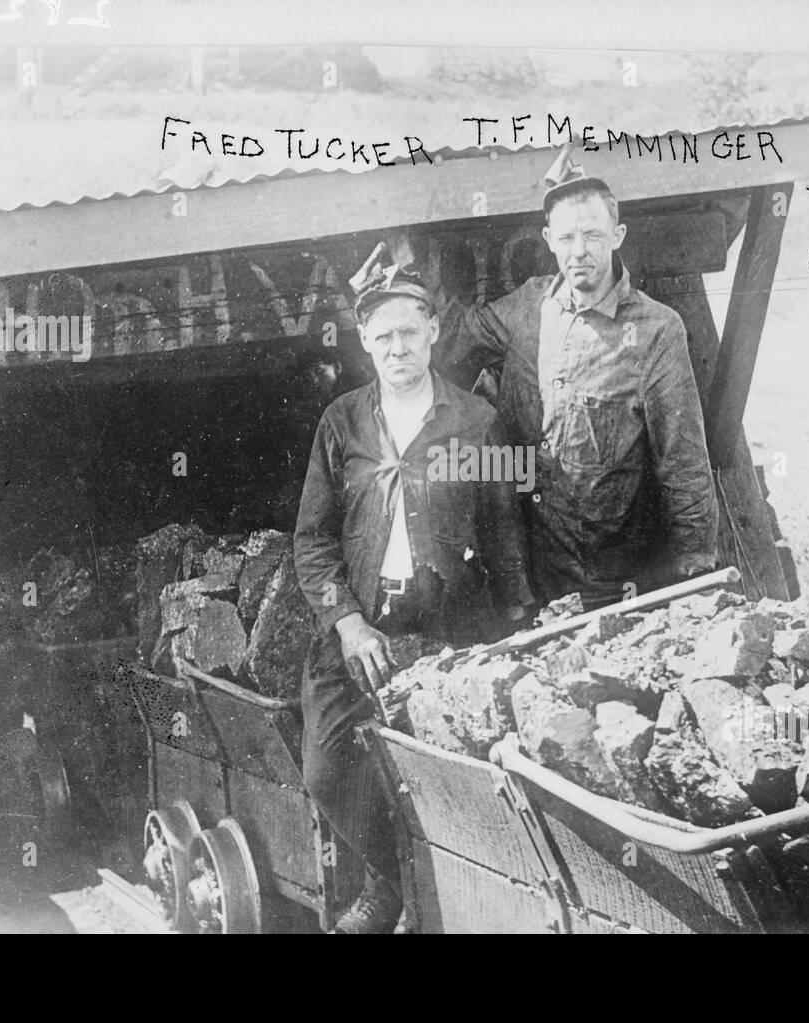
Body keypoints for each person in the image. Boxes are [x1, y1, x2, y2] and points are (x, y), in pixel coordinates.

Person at [293, 265, 536, 934]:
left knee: (456, 778)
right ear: (364, 343)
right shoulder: (341, 422)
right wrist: (345, 622)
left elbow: (506, 533)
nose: (397, 348)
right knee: (329, 767)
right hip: (363, 631)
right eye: (381, 337)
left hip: (449, 627)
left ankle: (466, 903)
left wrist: (517, 625)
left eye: (409, 332)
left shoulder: (478, 421)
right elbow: (311, 541)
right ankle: (391, 885)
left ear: (433, 331)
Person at [428, 172, 720, 608]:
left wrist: (697, 566)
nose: (579, 251)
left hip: (611, 575)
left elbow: (683, 460)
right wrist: (413, 277)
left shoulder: (657, 330)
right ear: (548, 239)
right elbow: (453, 338)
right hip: (529, 569)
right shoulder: (528, 306)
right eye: (566, 237)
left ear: (617, 235)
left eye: (592, 235)